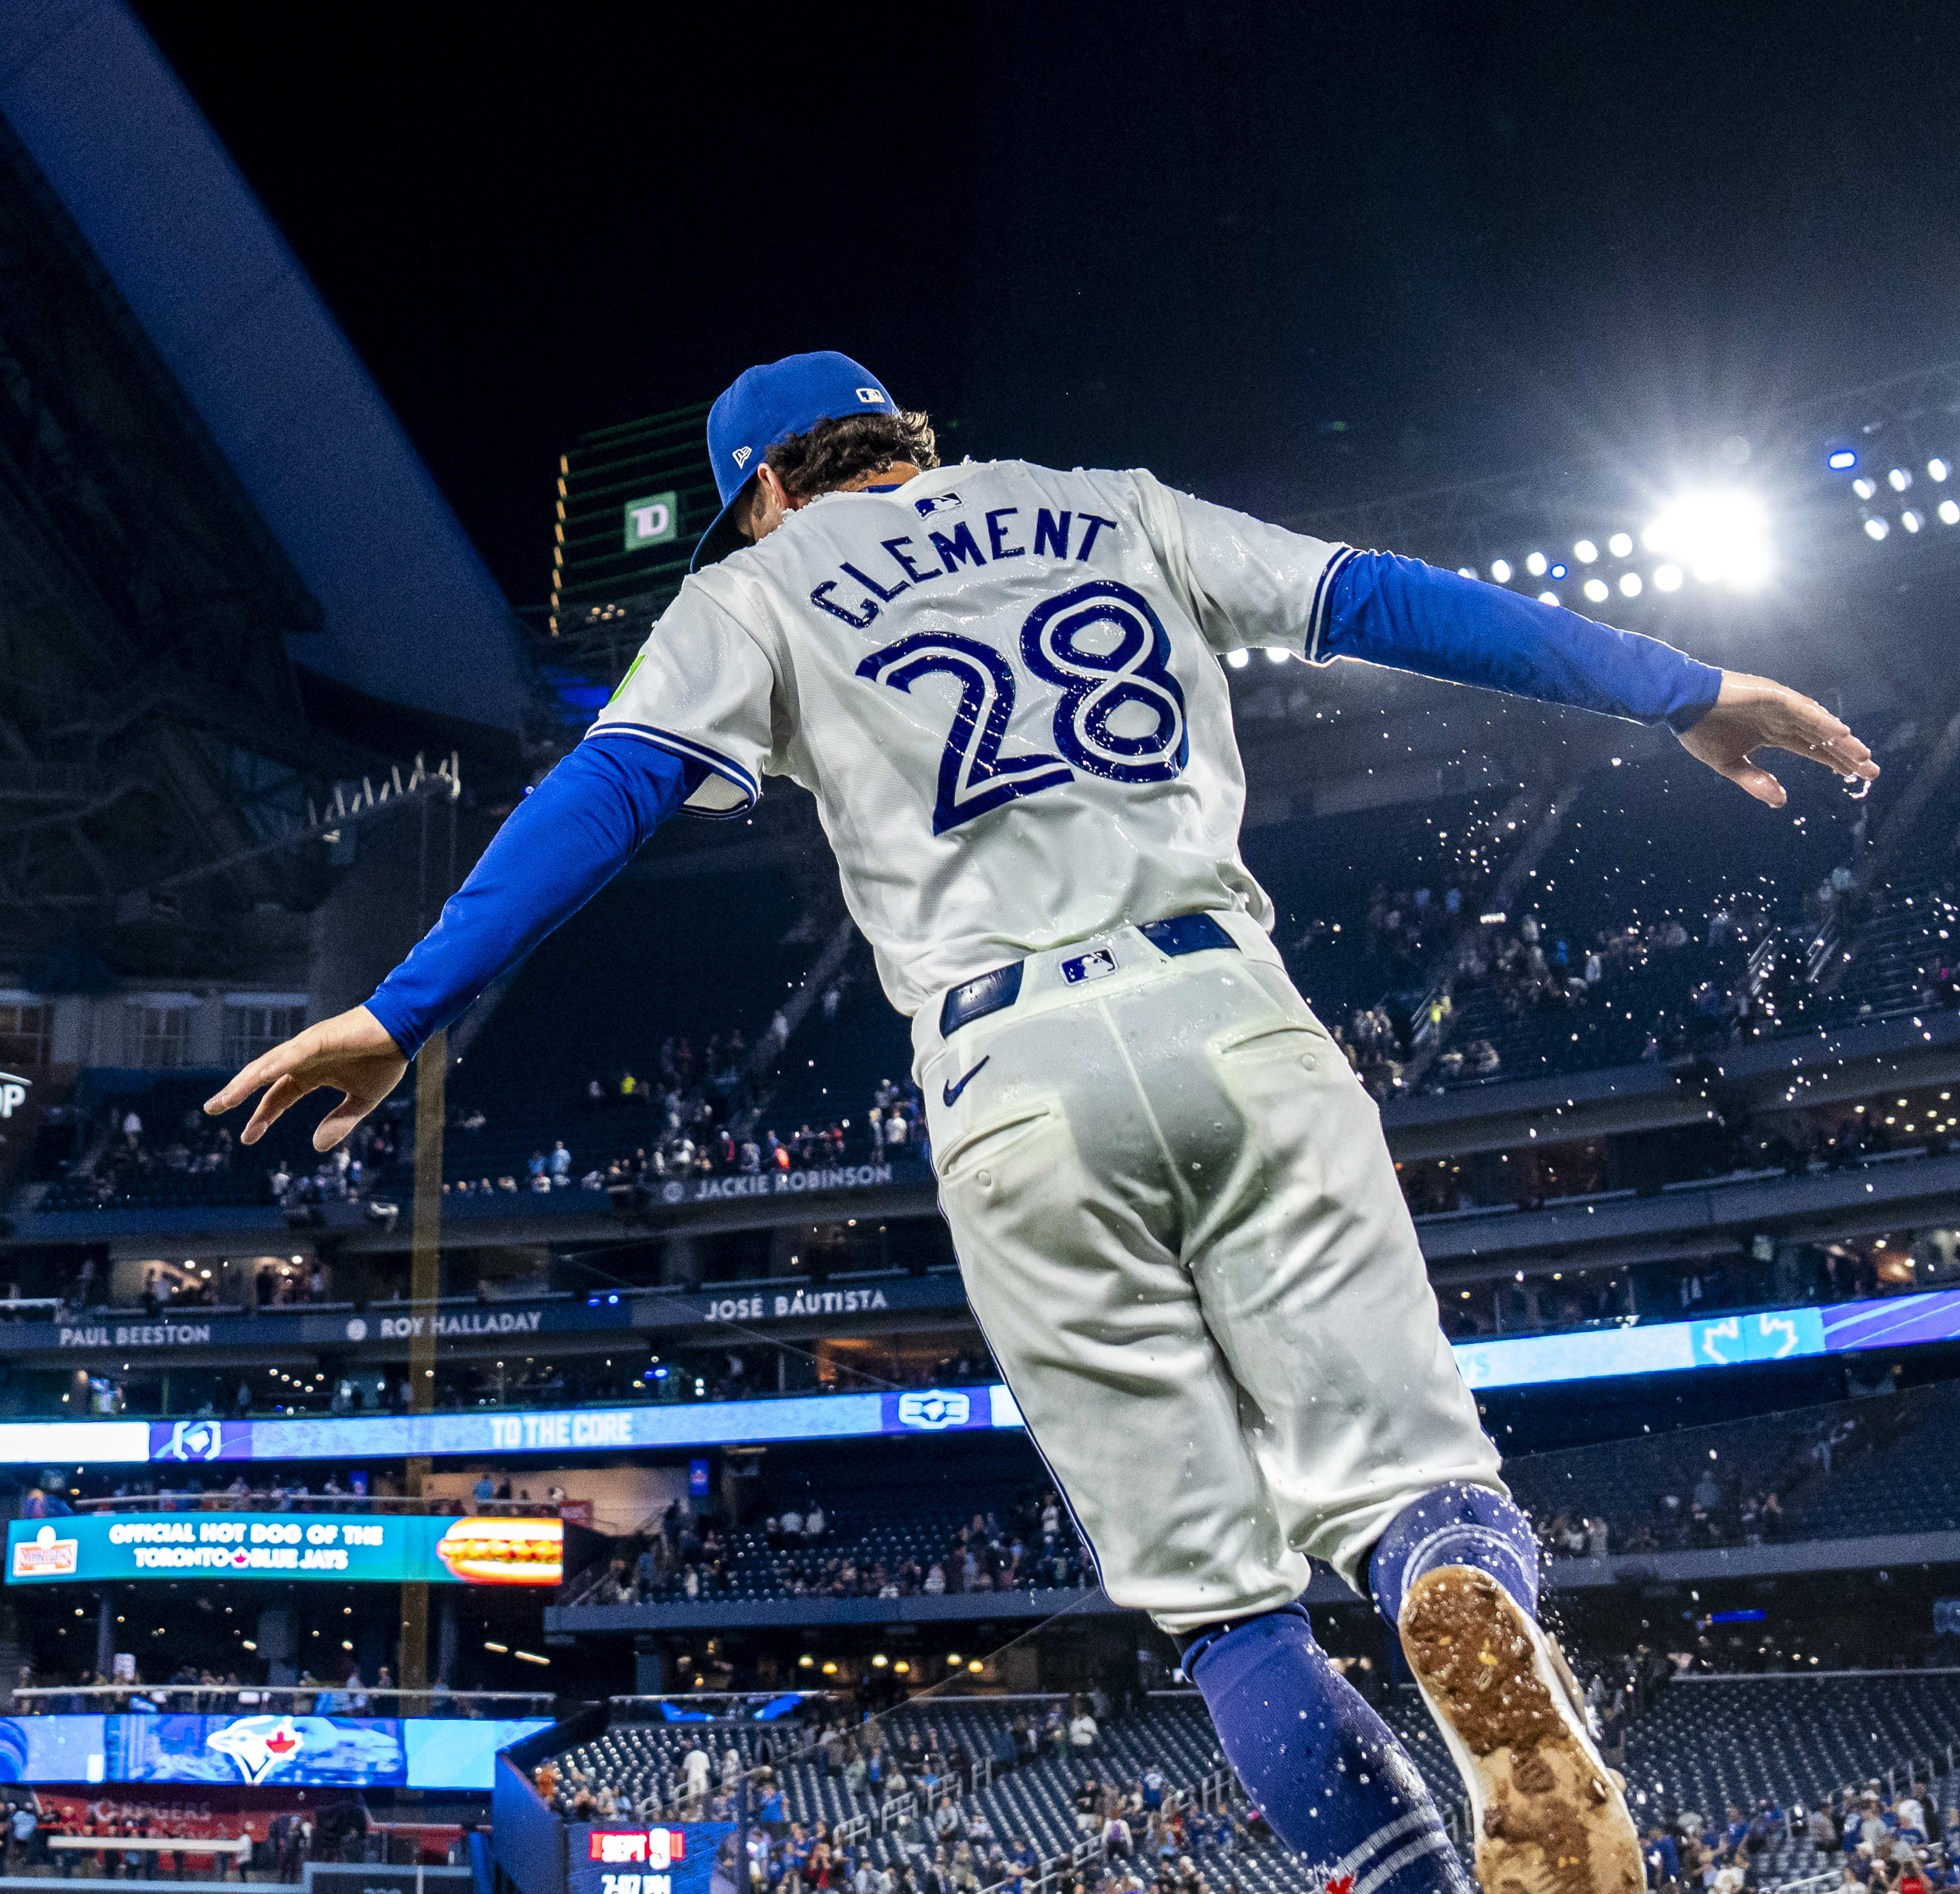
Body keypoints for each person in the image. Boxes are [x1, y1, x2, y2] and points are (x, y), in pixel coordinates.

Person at [210, 351, 1873, 1894]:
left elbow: (613, 785)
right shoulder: (1108, 500)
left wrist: (396, 1009)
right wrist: (1677, 687)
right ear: (897, 439)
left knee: (1225, 1609)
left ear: (765, 490)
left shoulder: (752, 584)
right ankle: (1444, 1576)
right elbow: (1378, 598)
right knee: (1415, 1487)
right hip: (1232, 1007)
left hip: (1007, 1077)